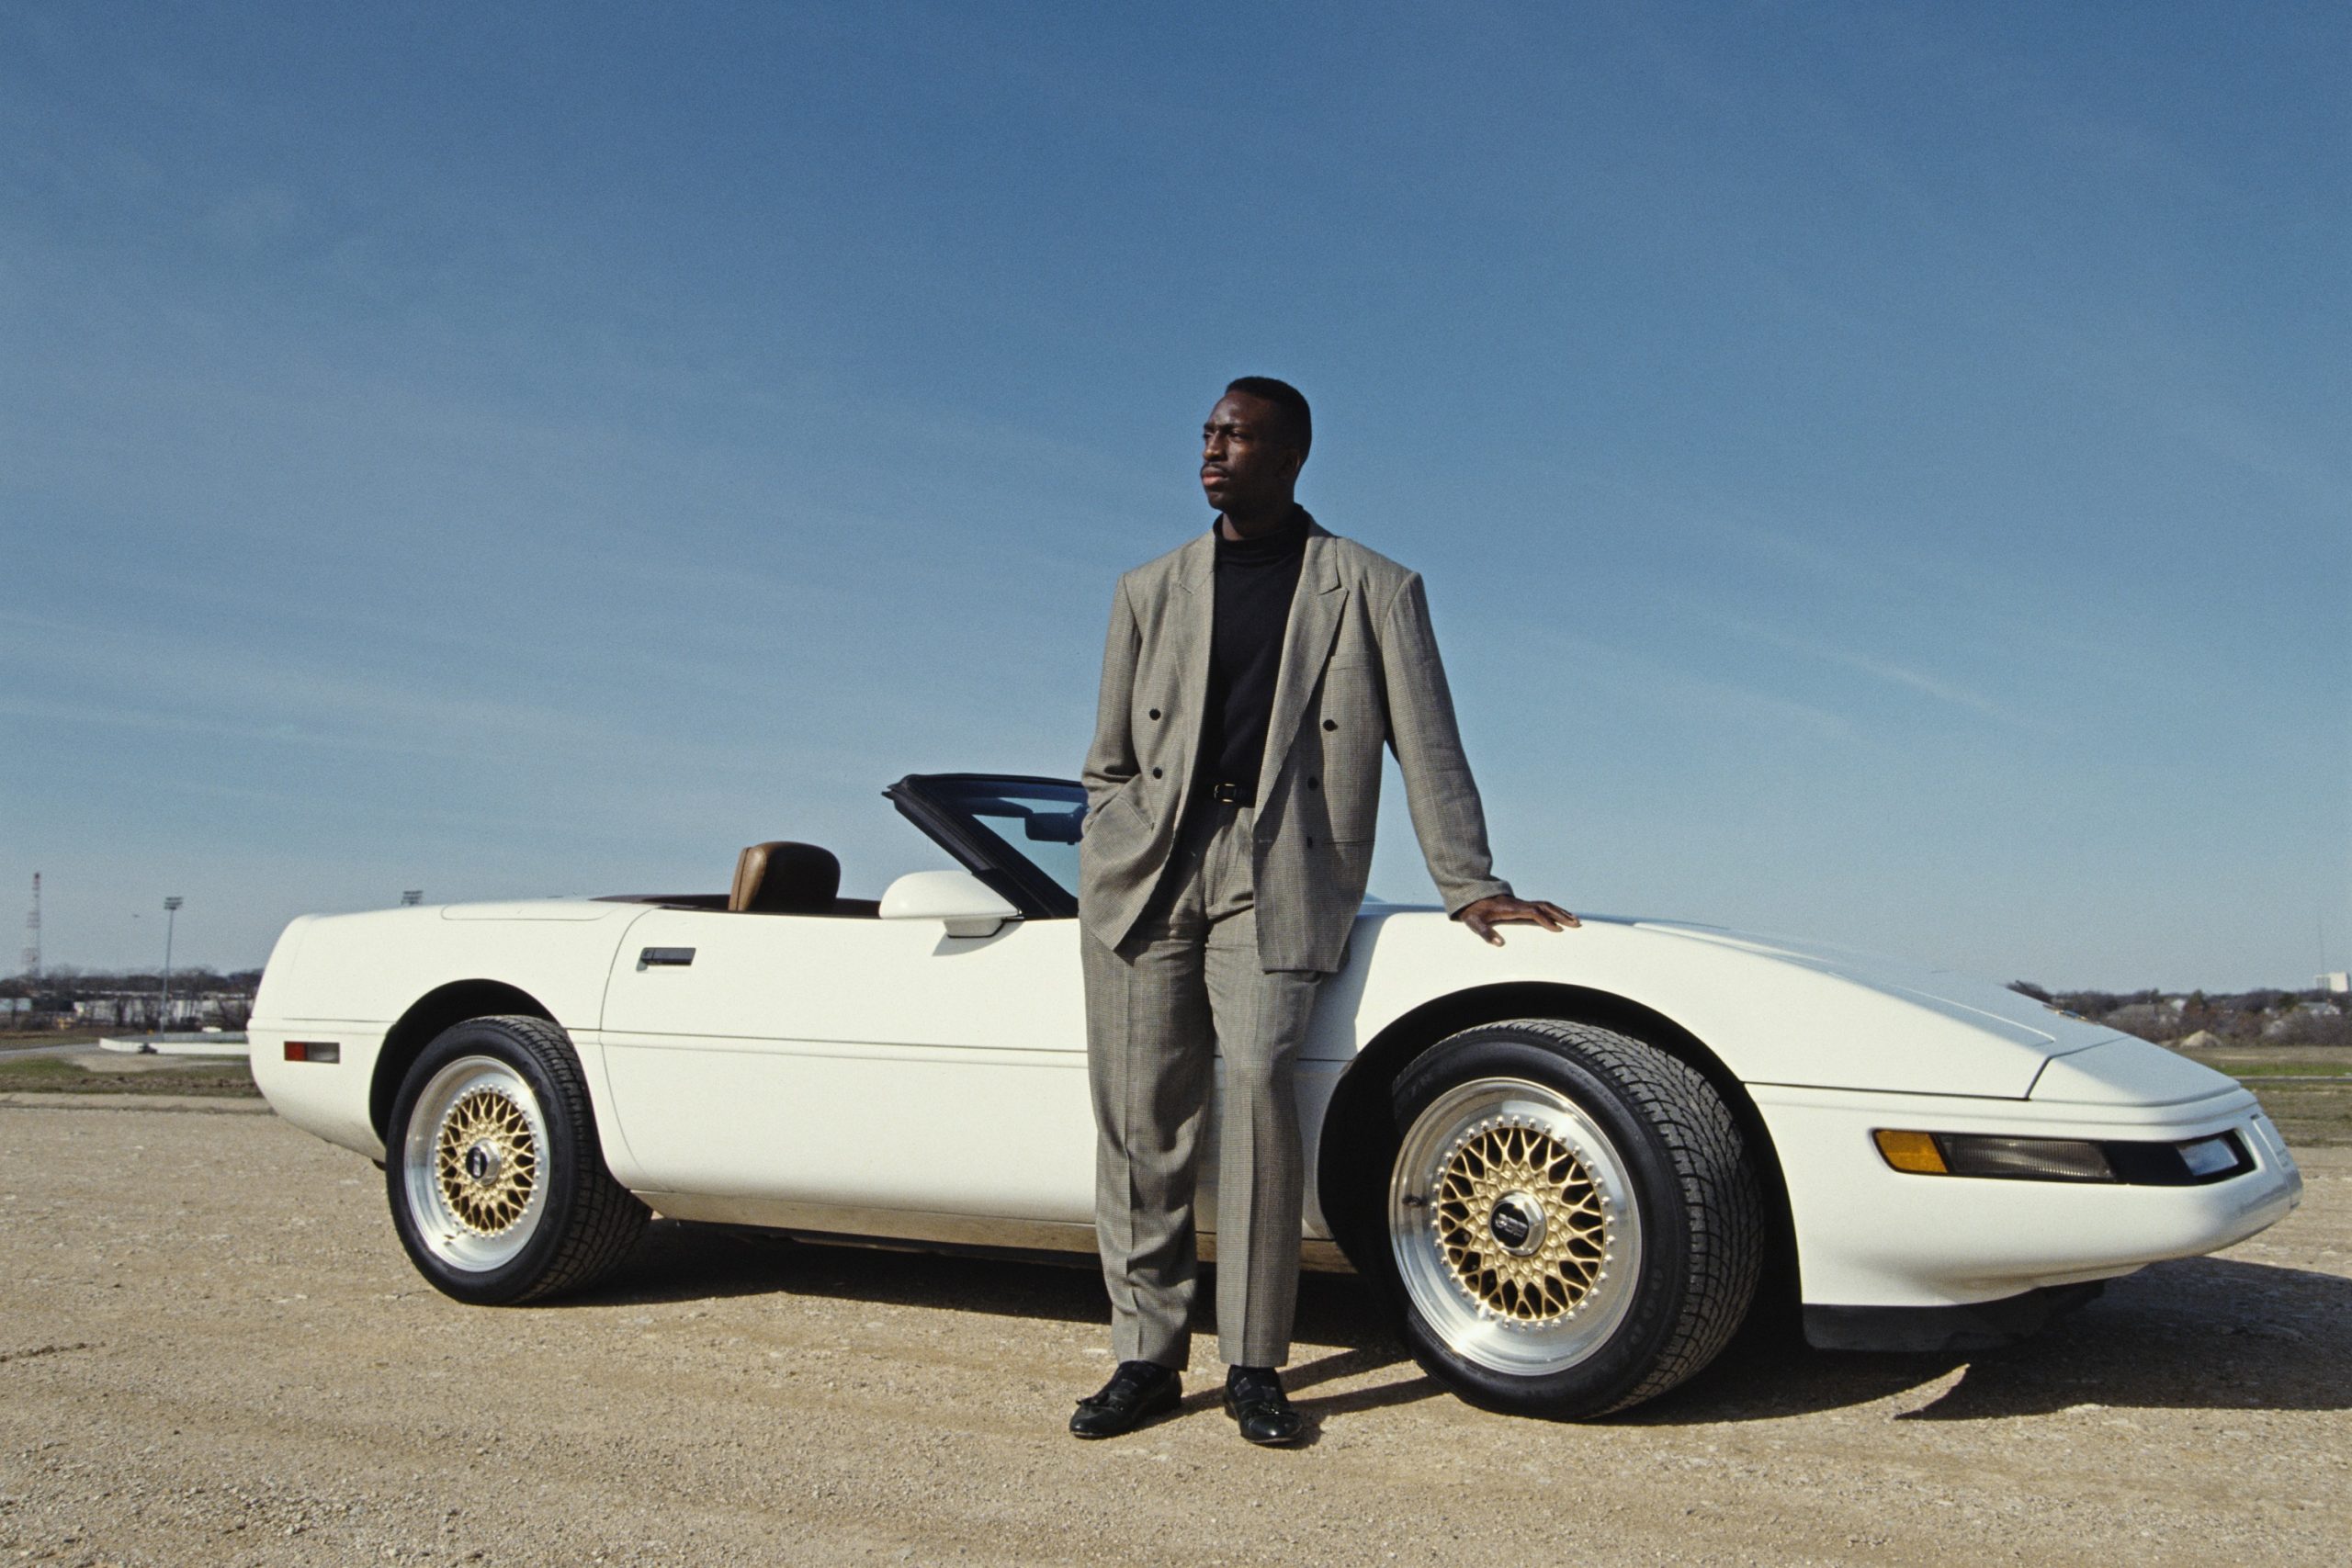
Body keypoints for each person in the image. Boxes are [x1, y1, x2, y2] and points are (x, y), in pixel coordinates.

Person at [1069, 377, 1575, 1445]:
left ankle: (1254, 1364)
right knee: (1139, 1120)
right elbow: (1107, 757)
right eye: (1208, 432)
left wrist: (1469, 880)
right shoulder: (1148, 588)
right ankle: (1143, 1358)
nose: (1213, 449)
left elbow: (1427, 743)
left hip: (1281, 869)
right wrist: (1109, 833)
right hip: (1148, 868)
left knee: (1258, 1091)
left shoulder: (1373, 587)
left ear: (1291, 454)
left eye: (1237, 435)